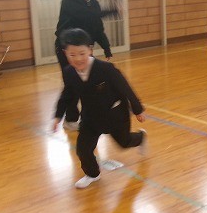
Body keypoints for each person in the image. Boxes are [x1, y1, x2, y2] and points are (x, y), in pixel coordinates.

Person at [52, 29, 147, 189]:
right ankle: (92, 174)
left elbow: (125, 87)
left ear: (90, 50)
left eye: (82, 53)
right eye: (72, 54)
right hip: (91, 118)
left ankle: (141, 137)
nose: (78, 59)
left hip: (114, 114)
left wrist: (137, 109)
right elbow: (67, 95)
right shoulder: (69, 72)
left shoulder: (105, 69)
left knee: (124, 143)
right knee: (83, 149)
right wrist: (57, 116)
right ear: (65, 53)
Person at [54, 0, 117, 130]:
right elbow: (88, 15)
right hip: (67, 50)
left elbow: (98, 28)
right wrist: (112, 10)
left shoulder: (92, 2)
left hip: (84, 50)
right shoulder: (70, 0)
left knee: (90, 81)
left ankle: (90, 116)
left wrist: (106, 48)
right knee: (73, 83)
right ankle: (70, 119)